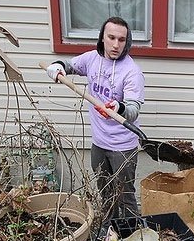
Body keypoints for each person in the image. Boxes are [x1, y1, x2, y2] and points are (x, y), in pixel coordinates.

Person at [46, 16, 145, 223]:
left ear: (127, 42)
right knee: (106, 193)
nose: (116, 44)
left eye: (122, 39)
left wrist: (119, 107)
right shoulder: (92, 59)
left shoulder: (132, 71)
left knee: (125, 196)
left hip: (122, 147)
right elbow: (70, 65)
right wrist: (56, 66)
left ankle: (132, 237)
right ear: (102, 38)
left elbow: (134, 108)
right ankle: (109, 231)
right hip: (99, 143)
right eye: (111, 38)